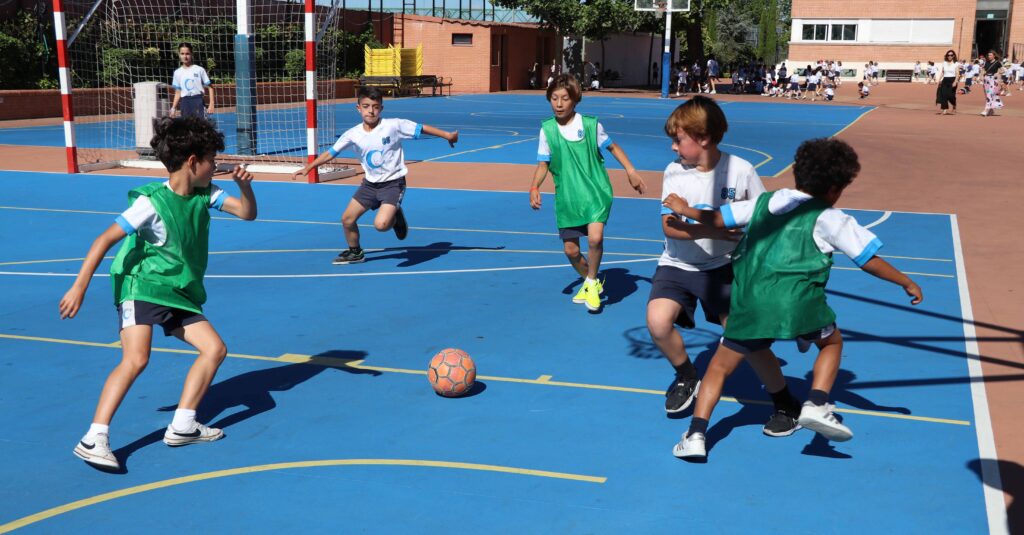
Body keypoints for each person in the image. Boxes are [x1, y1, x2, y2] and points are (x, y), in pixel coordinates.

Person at [666, 138, 924, 459]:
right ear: (834, 188)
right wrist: (905, 281)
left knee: (718, 369)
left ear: (797, 173)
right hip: (801, 303)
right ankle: (816, 403)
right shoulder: (830, 216)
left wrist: (685, 209)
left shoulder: (762, 203)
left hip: (751, 303)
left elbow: (717, 218)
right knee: (831, 343)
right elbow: (866, 258)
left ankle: (695, 435)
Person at [61, 116, 258, 471]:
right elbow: (104, 240)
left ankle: (183, 424)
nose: (217, 166)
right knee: (136, 358)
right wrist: (80, 286)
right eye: (212, 159)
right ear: (193, 161)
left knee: (214, 349)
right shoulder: (151, 203)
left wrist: (246, 188)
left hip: (177, 288)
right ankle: (94, 437)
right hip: (141, 285)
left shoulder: (206, 194)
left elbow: (247, 214)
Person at [647, 96, 765, 414]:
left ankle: (782, 398)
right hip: (677, 262)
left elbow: (763, 215)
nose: (673, 147)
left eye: (678, 140)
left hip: (722, 265)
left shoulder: (740, 171)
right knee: (658, 323)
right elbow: (669, 227)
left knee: (744, 335)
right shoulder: (675, 172)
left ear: (704, 138)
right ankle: (687, 375)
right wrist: (714, 232)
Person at [293, 87, 459, 264]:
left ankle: (395, 215)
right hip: (369, 185)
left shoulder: (393, 126)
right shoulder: (352, 134)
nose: (371, 111)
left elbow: (421, 128)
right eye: (366, 106)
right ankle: (355, 252)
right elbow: (331, 152)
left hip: (393, 184)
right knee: (347, 219)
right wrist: (309, 167)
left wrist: (447, 135)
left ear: (381, 108)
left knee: (381, 225)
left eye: (375, 106)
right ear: (358, 108)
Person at [529, 74, 647, 312]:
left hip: (595, 192)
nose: (559, 103)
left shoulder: (591, 125)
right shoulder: (547, 130)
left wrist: (631, 171)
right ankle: (590, 279)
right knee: (570, 250)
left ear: (575, 100)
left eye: (564, 98)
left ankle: (592, 282)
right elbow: (543, 164)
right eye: (554, 98)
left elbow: (612, 147)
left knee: (595, 238)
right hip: (568, 197)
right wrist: (534, 186)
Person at [170, 42, 214, 119]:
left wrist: (211, 104)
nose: (185, 56)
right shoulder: (177, 72)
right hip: (185, 102)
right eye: (182, 54)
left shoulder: (199, 70)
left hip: (198, 101)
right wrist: (173, 108)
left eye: (187, 54)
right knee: (187, 128)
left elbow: (210, 87)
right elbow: (178, 92)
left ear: (192, 54)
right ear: (179, 54)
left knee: (201, 127)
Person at [980, 50, 1005, 116]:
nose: (989, 56)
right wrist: (982, 76)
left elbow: (1003, 70)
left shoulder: (997, 63)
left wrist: (998, 73)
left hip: (993, 80)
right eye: (988, 55)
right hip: (986, 80)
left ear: (994, 56)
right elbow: (983, 70)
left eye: (990, 55)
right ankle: (991, 110)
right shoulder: (986, 62)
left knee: (989, 94)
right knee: (987, 95)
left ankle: (986, 110)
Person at [936, 50, 960, 115]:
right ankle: (944, 109)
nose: (949, 56)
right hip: (945, 80)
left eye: (951, 55)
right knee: (944, 95)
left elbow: (957, 73)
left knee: (950, 95)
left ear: (953, 56)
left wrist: (955, 81)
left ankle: (954, 104)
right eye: (948, 55)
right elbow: (943, 72)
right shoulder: (944, 63)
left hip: (952, 80)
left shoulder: (956, 63)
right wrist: (939, 80)